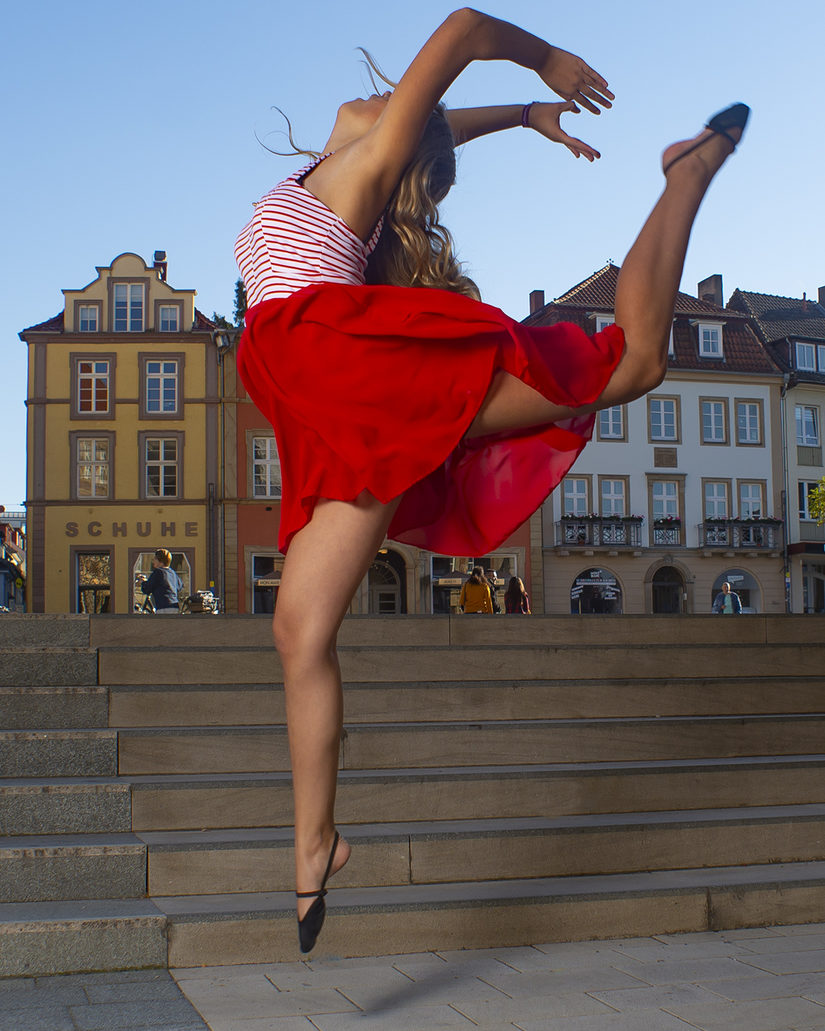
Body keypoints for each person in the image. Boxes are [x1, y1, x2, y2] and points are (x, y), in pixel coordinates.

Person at [234, 8, 749, 953]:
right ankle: (315, 849)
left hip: (351, 367)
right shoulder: (348, 150)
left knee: (632, 364)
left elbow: (463, 28)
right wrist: (517, 116)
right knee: (297, 630)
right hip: (325, 397)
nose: (391, 102)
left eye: (405, 111)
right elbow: (428, 113)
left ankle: (686, 176)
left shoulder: (366, 163)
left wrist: (547, 65)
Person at [138, 549, 182, 614]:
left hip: (163, 607)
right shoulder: (172, 573)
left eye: (155, 559)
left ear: (160, 561)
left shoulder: (158, 572)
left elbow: (147, 589)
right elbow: (179, 586)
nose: (153, 561)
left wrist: (143, 582)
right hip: (175, 606)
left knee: (162, 624)